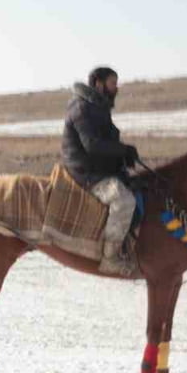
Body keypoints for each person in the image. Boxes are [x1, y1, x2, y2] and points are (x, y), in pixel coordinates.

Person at [61, 66, 141, 275]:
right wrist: (122, 150)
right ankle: (111, 257)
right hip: (85, 173)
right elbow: (93, 146)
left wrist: (123, 156)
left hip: (98, 169)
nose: (117, 88)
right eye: (113, 83)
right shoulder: (81, 108)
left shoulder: (97, 107)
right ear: (98, 83)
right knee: (124, 201)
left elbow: (105, 143)